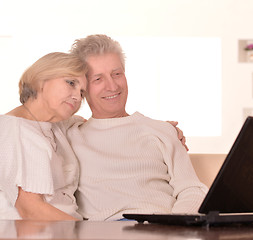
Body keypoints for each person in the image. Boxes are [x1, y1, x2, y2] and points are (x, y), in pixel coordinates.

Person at [68, 34, 208, 221]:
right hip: (108, 231)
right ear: (82, 88)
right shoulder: (70, 135)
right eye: (98, 79)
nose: (112, 86)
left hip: (163, 227)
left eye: (117, 74)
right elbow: (25, 118)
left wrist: (175, 226)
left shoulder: (161, 131)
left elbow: (192, 189)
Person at [0, 52, 88, 220]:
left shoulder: (52, 124)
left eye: (82, 92)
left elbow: (78, 121)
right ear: (41, 81)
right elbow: (32, 210)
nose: (77, 97)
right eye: (70, 83)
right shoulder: (18, 131)